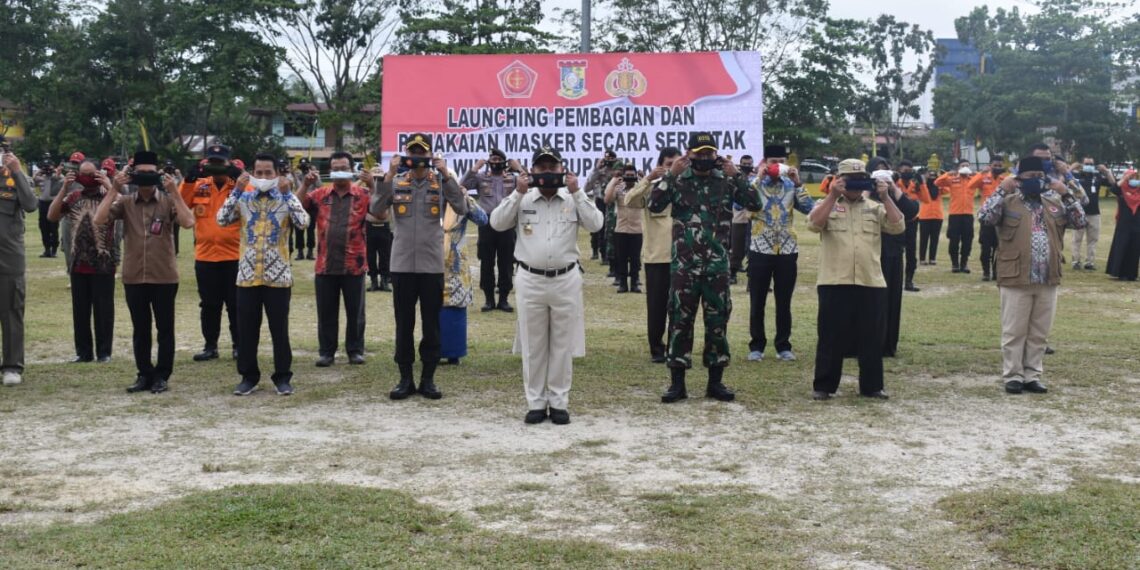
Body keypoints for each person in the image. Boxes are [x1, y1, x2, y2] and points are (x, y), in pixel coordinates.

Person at [490, 146, 603, 424]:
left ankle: (559, 401)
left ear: (562, 169)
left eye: (553, 167)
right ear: (532, 171)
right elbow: (497, 223)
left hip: (565, 278)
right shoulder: (524, 197)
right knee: (533, 343)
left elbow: (596, 224)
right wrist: (517, 191)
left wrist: (577, 191)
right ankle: (536, 402)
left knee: (562, 344)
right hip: (530, 278)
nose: (548, 173)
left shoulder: (572, 196)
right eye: (542, 168)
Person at [648, 132, 763, 404]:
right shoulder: (677, 181)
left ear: (716, 155)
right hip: (684, 267)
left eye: (709, 153)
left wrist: (737, 175)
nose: (704, 158)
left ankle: (716, 382)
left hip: (716, 266)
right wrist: (670, 175)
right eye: (698, 153)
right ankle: (677, 383)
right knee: (679, 322)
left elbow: (755, 204)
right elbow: (654, 205)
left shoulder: (725, 181)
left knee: (717, 322)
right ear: (688, 155)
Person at [371, 133, 467, 400]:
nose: (417, 158)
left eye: (421, 153)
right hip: (401, 265)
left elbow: (460, 206)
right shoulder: (397, 181)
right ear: (405, 154)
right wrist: (388, 176)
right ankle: (405, 378)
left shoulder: (440, 183)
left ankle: (428, 379)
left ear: (429, 155)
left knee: (431, 325)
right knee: (404, 324)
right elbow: (376, 207)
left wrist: (446, 174)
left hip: (431, 266)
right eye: (412, 152)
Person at [978, 156, 1086, 394]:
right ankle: (1013, 375)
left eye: (1040, 177)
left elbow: (1080, 222)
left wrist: (1066, 193)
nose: (1035, 181)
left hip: (1048, 276)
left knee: (1039, 331)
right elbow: (985, 217)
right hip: (1016, 277)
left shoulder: (1054, 203)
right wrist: (999, 190)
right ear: (1018, 180)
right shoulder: (1007, 202)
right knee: (1014, 331)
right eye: (1030, 178)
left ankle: (1032, 374)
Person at [95, 151, 194, 393]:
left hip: (164, 276)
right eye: (142, 173)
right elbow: (99, 219)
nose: (147, 178)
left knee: (165, 329)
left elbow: (189, 222)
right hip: (134, 276)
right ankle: (144, 374)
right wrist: (113, 188)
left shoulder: (168, 201)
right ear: (134, 174)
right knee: (140, 329)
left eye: (152, 173)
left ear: (159, 175)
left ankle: (162, 375)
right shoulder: (127, 202)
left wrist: (175, 192)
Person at [807, 158, 905, 401]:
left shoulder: (874, 206)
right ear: (838, 179)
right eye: (849, 179)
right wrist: (831, 196)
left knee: (872, 337)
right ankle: (824, 386)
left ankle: (872, 386)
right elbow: (813, 224)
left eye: (860, 178)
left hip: (869, 280)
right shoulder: (826, 204)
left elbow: (898, 226)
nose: (854, 184)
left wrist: (886, 196)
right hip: (834, 281)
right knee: (830, 335)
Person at [217, 153, 310, 396]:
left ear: (277, 174)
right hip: (247, 276)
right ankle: (248, 376)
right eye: (259, 172)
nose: (263, 177)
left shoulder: (285, 199)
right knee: (247, 330)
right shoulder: (244, 199)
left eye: (268, 172)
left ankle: (282, 377)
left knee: (279, 330)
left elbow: (303, 222)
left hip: (278, 278)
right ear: (251, 173)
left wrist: (289, 193)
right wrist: (236, 191)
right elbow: (221, 219)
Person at [298, 151, 373, 367]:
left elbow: (380, 214)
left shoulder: (363, 194)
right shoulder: (320, 194)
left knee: (356, 313)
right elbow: (295, 207)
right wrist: (304, 185)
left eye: (344, 167)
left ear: (351, 170)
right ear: (330, 170)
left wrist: (374, 185)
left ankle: (355, 350)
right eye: (335, 168)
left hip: (354, 265)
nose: (339, 171)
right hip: (325, 264)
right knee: (326, 312)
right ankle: (326, 352)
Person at [746, 145, 813, 362]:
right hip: (760, 248)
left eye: (781, 161)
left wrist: (799, 183)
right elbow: (740, 203)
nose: (777, 165)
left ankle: (783, 345)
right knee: (757, 300)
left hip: (787, 249)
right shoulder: (753, 184)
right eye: (773, 160)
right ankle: (757, 346)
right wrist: (758, 177)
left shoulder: (791, 184)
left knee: (784, 301)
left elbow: (809, 208)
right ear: (764, 161)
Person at [47, 159, 118, 363]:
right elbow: (52, 216)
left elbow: (126, 206)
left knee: (104, 310)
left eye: (92, 174)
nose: (88, 178)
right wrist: (64, 188)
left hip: (103, 262)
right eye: (83, 174)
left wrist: (107, 184)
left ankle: (104, 352)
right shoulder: (74, 196)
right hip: (78, 263)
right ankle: (83, 352)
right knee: (80, 311)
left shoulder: (108, 196)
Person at [180, 145, 242, 362]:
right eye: (212, 162)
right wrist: (188, 179)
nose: (216, 167)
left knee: (235, 304)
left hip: (233, 255)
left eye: (220, 162)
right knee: (209, 305)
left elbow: (254, 199)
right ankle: (210, 346)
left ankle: (238, 345)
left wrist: (240, 176)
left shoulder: (239, 186)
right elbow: (182, 202)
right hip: (205, 256)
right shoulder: (199, 185)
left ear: (229, 163)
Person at [623, 147, 682, 363]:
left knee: (680, 307)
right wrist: (648, 179)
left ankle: (677, 347)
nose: (673, 168)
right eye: (668, 164)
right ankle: (657, 348)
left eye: (677, 163)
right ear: (660, 166)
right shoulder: (652, 188)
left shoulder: (688, 187)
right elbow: (629, 200)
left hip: (684, 257)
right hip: (657, 257)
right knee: (657, 307)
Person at [867, 157, 919, 358]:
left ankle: (887, 344)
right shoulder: (863, 195)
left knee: (890, 298)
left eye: (885, 172)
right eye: (877, 172)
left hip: (893, 252)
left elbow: (912, 211)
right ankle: (862, 341)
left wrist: (892, 189)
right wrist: (868, 187)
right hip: (868, 251)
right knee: (867, 299)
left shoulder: (894, 195)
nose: (881, 177)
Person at [462, 149, 520, 312]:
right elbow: (462, 185)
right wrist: (474, 169)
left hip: (507, 223)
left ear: (504, 162)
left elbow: (531, 184)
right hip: (486, 223)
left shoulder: (513, 179)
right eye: (492, 159)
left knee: (506, 262)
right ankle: (489, 299)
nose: (495, 162)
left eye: (498, 159)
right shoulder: (481, 178)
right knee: (486, 262)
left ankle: (503, 299)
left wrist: (519, 168)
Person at [0, 151, 39, 385]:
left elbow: (31, 204)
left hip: (8, 256)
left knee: (12, 310)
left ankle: (12, 366)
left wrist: (16, 170)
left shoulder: (12, 176)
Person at [440, 195, 489, 365]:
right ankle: (434, 350)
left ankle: (454, 352)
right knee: (432, 307)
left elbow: (482, 220)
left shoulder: (461, 201)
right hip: (431, 261)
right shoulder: (428, 199)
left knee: (456, 308)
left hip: (457, 265)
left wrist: (467, 199)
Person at [604, 162, 644, 293]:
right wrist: (614, 181)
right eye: (627, 175)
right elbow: (607, 199)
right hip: (621, 229)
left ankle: (634, 283)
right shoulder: (619, 188)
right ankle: (622, 283)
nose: (630, 178)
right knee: (621, 258)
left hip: (637, 229)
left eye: (632, 175)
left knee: (635, 258)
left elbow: (649, 197)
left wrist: (644, 180)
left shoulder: (640, 188)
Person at [968, 156, 1010, 281]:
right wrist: (981, 173)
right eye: (995, 165)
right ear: (990, 165)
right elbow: (970, 185)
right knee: (985, 247)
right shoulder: (984, 177)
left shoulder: (1006, 179)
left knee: (1000, 247)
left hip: (1002, 218)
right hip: (987, 217)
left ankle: (997, 272)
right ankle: (986, 272)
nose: (997, 168)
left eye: (999, 166)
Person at [935, 159, 979, 273]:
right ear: (959, 168)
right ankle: (955, 263)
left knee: (967, 240)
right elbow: (937, 182)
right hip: (955, 215)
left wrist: (976, 174)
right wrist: (947, 174)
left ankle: (964, 264)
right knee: (954, 240)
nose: (965, 167)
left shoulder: (973, 180)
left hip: (968, 214)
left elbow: (983, 180)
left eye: (967, 165)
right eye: (963, 165)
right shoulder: (952, 179)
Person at [1071, 158, 1115, 271]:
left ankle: (1089, 262)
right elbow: (1064, 178)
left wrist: (1106, 171)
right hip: (1079, 212)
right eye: (1086, 164)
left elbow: (1113, 183)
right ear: (1082, 164)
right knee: (1077, 238)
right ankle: (1076, 261)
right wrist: (1072, 167)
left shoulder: (1098, 177)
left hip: (1094, 213)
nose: (1089, 165)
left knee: (1093, 239)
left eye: (1091, 164)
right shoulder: (1076, 175)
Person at [896, 160, 931, 291]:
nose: (907, 173)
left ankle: (909, 281)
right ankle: (895, 280)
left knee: (911, 254)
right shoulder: (894, 184)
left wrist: (922, 183)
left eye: (910, 171)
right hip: (895, 223)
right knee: (896, 253)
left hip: (911, 223)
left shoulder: (915, 185)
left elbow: (927, 199)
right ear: (899, 170)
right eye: (905, 171)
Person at [1106, 169, 1140, 281]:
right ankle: (1119, 273)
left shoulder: (1138, 191)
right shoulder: (1122, 190)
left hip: (1137, 223)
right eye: (1131, 178)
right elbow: (1113, 189)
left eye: (1135, 178)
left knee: (1134, 248)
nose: (1133, 180)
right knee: (1122, 247)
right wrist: (1125, 179)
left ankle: (1131, 274)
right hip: (1123, 224)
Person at [729, 154, 757, 285]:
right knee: (737, 247)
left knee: (753, 249)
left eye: (749, 164)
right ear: (740, 164)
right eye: (744, 164)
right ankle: (732, 273)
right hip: (739, 215)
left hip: (753, 217)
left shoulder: (756, 178)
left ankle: (752, 278)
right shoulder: (735, 178)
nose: (747, 166)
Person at [584, 150, 617, 262]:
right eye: (606, 159)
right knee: (598, 227)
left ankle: (608, 254)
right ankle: (597, 251)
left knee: (611, 229)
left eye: (611, 160)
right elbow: (587, 187)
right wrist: (596, 169)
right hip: (600, 201)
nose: (608, 162)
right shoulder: (599, 172)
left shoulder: (617, 172)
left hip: (613, 202)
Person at [32, 157, 63, 258]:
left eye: (48, 167)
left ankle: (54, 250)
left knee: (53, 227)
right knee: (43, 227)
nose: (47, 170)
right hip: (42, 204)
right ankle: (46, 249)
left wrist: (54, 170)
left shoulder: (57, 177)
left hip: (53, 203)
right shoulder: (41, 177)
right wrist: (41, 171)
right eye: (45, 168)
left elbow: (64, 180)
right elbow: (33, 179)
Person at [917, 168, 944, 266]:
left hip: (937, 216)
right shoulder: (923, 187)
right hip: (924, 215)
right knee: (923, 239)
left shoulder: (939, 187)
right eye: (930, 174)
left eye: (934, 175)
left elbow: (947, 189)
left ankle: (932, 258)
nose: (932, 177)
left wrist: (941, 177)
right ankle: (922, 259)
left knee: (934, 239)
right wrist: (923, 181)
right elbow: (918, 191)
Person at [365, 206, 393, 292]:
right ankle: (374, 281)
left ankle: (384, 280)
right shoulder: (367, 195)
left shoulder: (387, 194)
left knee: (385, 255)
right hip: (370, 226)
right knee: (370, 256)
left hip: (385, 227)